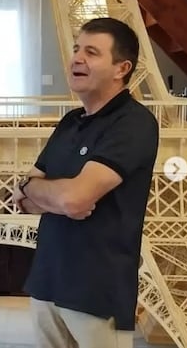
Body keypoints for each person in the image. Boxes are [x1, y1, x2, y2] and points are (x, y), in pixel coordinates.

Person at [12, 17, 160, 348]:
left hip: (96, 294)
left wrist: (47, 192)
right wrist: (35, 190)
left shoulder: (134, 123)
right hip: (47, 284)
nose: (76, 58)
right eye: (77, 49)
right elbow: (22, 200)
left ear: (121, 68)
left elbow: (74, 199)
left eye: (91, 52)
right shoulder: (70, 121)